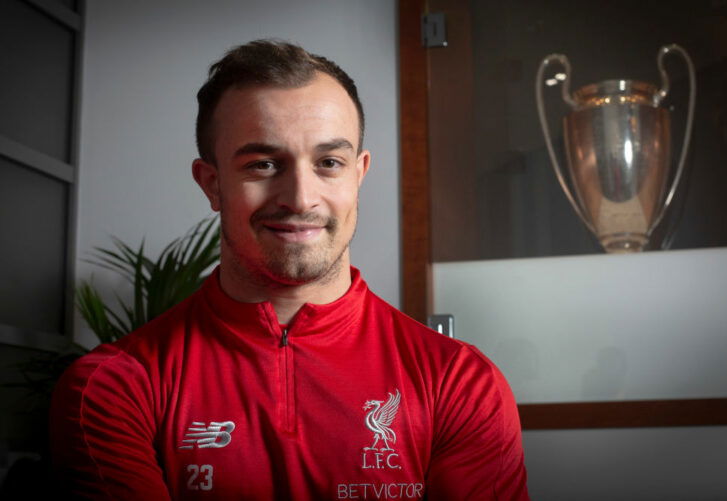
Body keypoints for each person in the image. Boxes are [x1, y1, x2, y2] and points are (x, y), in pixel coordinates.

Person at [50, 39, 529, 500]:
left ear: (359, 174)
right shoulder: (114, 388)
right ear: (212, 184)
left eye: (328, 162)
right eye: (263, 164)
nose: (301, 198)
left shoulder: (460, 384)